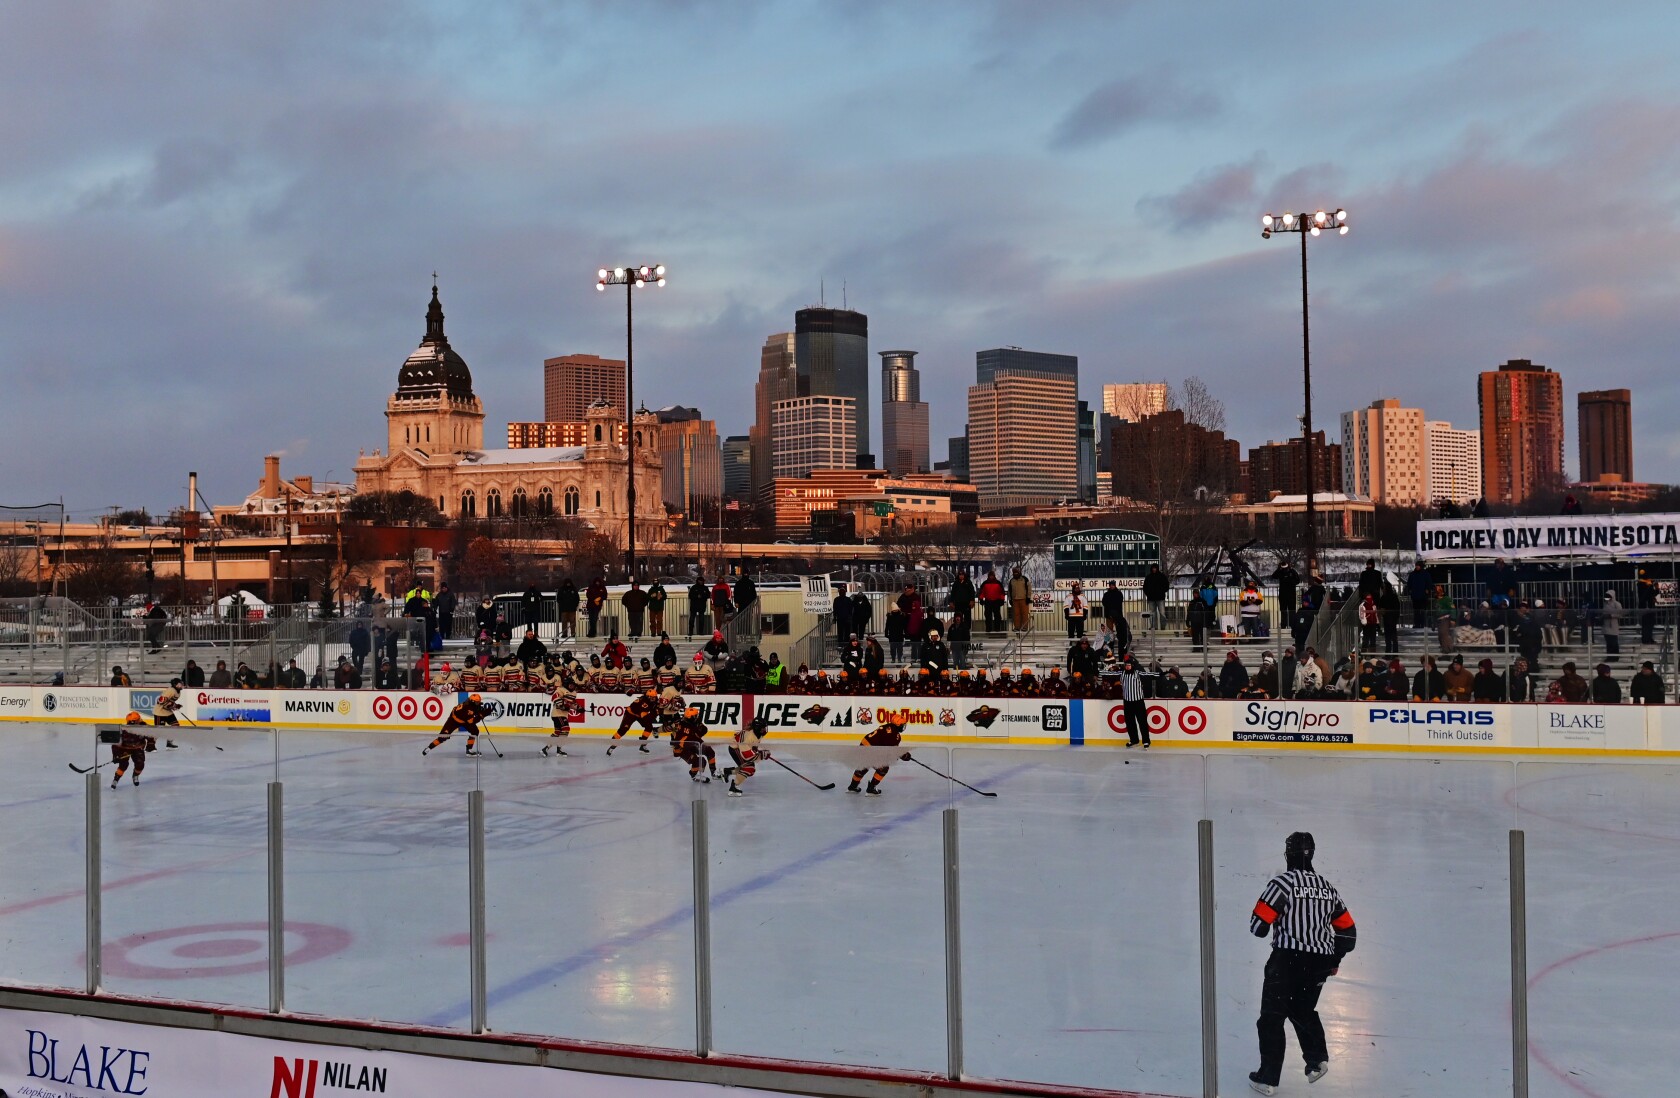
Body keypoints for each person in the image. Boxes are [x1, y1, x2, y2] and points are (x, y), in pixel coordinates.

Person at [1247, 832, 1356, 1094]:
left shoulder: (1282, 884)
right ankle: (1317, 1061)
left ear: (1288, 854)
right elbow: (1348, 933)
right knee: (1303, 1011)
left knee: (1272, 1019)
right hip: (1319, 962)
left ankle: (1268, 1079)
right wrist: (1333, 958)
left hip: (1286, 960)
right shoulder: (1328, 888)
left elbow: (1258, 927)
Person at [849, 718, 910, 795]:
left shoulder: (886, 727)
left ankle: (852, 786)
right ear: (898, 725)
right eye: (903, 725)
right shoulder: (894, 734)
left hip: (863, 748)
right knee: (883, 768)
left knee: (864, 766)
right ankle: (871, 789)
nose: (904, 727)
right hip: (871, 751)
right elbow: (892, 750)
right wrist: (904, 755)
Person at [422, 693, 490, 756]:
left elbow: (474, 711)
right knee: (443, 736)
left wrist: (480, 711)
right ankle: (429, 748)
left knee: (475, 732)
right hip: (453, 721)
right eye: (477, 702)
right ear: (472, 702)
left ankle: (469, 750)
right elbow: (472, 721)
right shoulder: (466, 709)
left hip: (464, 720)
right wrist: (482, 715)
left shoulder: (470, 705)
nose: (478, 703)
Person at [108, 712, 159, 789]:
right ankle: (116, 779)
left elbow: (151, 736)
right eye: (138, 720)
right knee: (123, 765)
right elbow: (115, 744)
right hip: (125, 750)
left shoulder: (144, 727)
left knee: (140, 764)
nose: (140, 720)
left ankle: (135, 776)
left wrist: (151, 744)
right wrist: (116, 755)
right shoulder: (124, 730)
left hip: (138, 749)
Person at [670, 705, 719, 782]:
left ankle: (714, 772)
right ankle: (693, 775)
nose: (697, 717)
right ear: (691, 717)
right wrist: (677, 749)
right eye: (696, 715)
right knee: (700, 761)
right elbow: (675, 739)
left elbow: (703, 731)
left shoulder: (694, 723)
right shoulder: (681, 725)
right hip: (683, 749)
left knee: (710, 751)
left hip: (694, 744)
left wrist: (700, 725)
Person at [724, 716, 770, 797]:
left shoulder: (758, 733)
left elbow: (753, 748)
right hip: (735, 749)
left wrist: (760, 753)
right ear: (757, 728)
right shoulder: (749, 736)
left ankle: (727, 772)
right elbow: (746, 755)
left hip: (740, 748)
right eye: (763, 728)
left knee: (750, 770)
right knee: (749, 768)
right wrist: (761, 756)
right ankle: (733, 787)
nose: (764, 730)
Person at [608, 689, 663, 754]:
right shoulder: (644, 702)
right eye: (652, 697)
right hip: (631, 714)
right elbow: (644, 716)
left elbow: (654, 709)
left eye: (655, 697)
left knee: (649, 727)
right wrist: (656, 713)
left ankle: (642, 745)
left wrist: (657, 710)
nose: (654, 698)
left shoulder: (653, 700)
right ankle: (612, 745)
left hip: (639, 714)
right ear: (648, 696)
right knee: (623, 730)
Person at [1117, 656, 1148, 748]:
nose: (1127, 667)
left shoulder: (1137, 673)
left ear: (1132, 666)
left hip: (1138, 701)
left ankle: (1146, 741)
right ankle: (1134, 740)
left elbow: (1150, 675)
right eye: (1126, 665)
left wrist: (1162, 673)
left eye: (1129, 665)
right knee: (1130, 722)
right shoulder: (1122, 674)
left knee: (1142, 721)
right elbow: (1110, 673)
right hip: (1127, 702)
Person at [977, 570, 1007, 634]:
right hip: (988, 601)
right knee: (988, 616)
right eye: (990, 576)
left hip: (996, 601)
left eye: (992, 576)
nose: (991, 577)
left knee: (997, 616)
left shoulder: (998, 583)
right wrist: (981, 599)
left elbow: (1002, 593)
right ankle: (988, 628)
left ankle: (997, 628)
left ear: (994, 576)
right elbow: (981, 593)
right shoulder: (985, 583)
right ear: (988, 576)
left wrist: (1002, 600)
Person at [1142, 564, 1170, 631]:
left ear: (1157, 569)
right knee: (1152, 614)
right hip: (1151, 599)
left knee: (1162, 613)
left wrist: (1162, 591)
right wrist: (1148, 594)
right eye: (1153, 568)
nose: (1154, 569)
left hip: (1160, 598)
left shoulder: (1162, 576)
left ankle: (1163, 627)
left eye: (1155, 568)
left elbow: (1167, 585)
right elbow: (1145, 587)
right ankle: (1153, 627)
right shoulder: (1148, 577)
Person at [1405, 562, 1432, 629]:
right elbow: (1409, 584)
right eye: (1416, 565)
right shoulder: (1413, 574)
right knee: (1416, 611)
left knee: (1422, 611)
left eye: (1418, 566)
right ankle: (1417, 624)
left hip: (1422, 595)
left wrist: (1427, 590)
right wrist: (1410, 590)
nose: (1417, 567)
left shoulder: (1425, 574)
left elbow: (1429, 583)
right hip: (1416, 595)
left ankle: (1422, 624)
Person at [1008, 567, 1032, 632]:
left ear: (1019, 573)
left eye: (1016, 572)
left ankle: (1024, 627)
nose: (1015, 574)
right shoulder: (1011, 581)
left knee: (1024, 614)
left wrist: (1028, 598)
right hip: (1015, 600)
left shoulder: (1025, 579)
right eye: (1014, 573)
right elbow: (1009, 591)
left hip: (1023, 599)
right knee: (1016, 614)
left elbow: (1029, 588)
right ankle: (1017, 627)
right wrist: (1010, 599)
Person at [1602, 591, 1623, 660]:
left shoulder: (1617, 604)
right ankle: (1609, 657)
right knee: (1608, 643)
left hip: (1613, 625)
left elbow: (1620, 614)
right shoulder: (1605, 604)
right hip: (1606, 625)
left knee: (1614, 642)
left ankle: (1615, 657)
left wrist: (1611, 616)